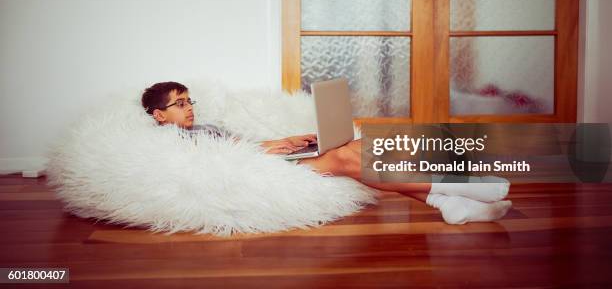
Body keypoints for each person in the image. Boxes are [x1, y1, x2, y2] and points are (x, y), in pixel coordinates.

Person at [141, 81, 512, 225]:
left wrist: (288, 140)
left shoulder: (206, 128)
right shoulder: (170, 144)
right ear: (159, 115)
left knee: (359, 147)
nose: (188, 108)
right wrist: (269, 150)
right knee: (345, 158)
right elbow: (224, 161)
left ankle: (447, 204)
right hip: (256, 173)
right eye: (178, 104)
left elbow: (241, 144)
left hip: (266, 157)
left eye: (190, 100)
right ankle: (461, 187)